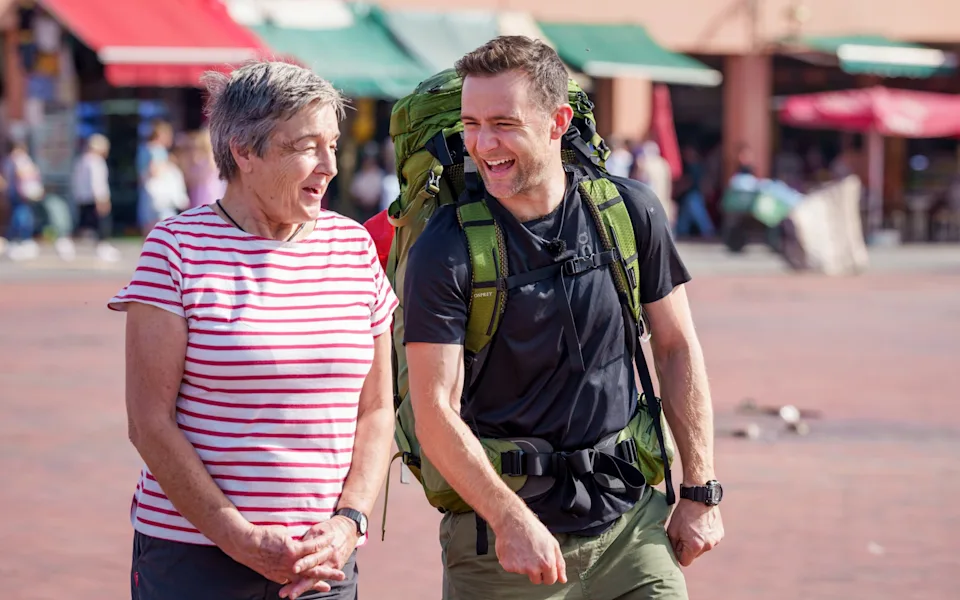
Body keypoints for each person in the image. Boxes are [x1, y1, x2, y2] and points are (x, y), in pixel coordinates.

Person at [402, 36, 723, 599]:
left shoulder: (627, 211)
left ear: (557, 121)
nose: (483, 144)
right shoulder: (447, 248)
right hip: (504, 545)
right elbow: (433, 410)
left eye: (503, 123)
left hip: (631, 527)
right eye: (471, 123)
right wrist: (508, 519)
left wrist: (700, 490)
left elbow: (675, 348)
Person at [108, 60, 398, 600]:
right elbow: (149, 422)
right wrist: (236, 537)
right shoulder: (175, 249)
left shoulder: (354, 247)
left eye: (333, 144)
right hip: (195, 559)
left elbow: (378, 408)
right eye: (307, 146)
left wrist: (349, 522)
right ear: (244, 150)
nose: (330, 165)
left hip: (323, 563)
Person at [71, 133, 121, 261]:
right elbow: (97, 182)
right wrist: (101, 199)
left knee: (84, 224)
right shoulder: (96, 161)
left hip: (83, 198)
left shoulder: (81, 160)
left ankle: (70, 245)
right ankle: (102, 247)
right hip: (95, 198)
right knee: (102, 223)